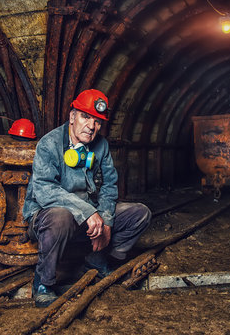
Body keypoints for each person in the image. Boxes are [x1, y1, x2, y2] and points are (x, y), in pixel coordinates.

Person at [22, 89, 152, 307]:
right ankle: (43, 283)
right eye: (85, 117)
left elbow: (110, 186)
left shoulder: (101, 146)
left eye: (98, 121)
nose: (91, 126)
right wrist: (88, 212)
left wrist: (107, 220)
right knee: (60, 218)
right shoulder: (50, 144)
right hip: (49, 217)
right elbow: (44, 190)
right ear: (72, 117)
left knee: (140, 214)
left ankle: (96, 259)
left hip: (90, 217)